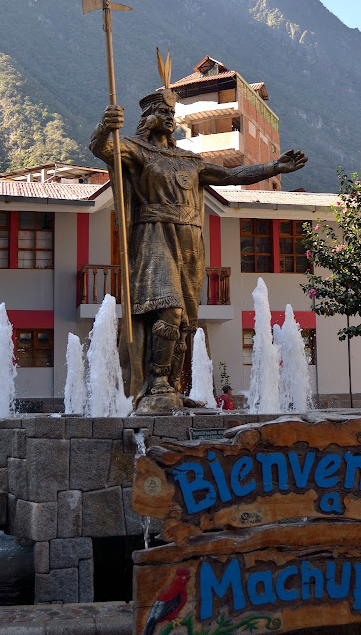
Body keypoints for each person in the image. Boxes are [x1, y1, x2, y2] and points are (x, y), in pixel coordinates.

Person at [90, 81, 307, 411]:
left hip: (191, 239)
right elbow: (102, 149)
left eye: (171, 113)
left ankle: (173, 387)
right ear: (147, 117)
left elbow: (232, 175)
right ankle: (157, 382)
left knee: (187, 321)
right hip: (155, 233)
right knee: (168, 306)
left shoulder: (190, 160)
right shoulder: (136, 149)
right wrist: (105, 127)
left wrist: (274, 167)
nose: (168, 117)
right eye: (161, 112)